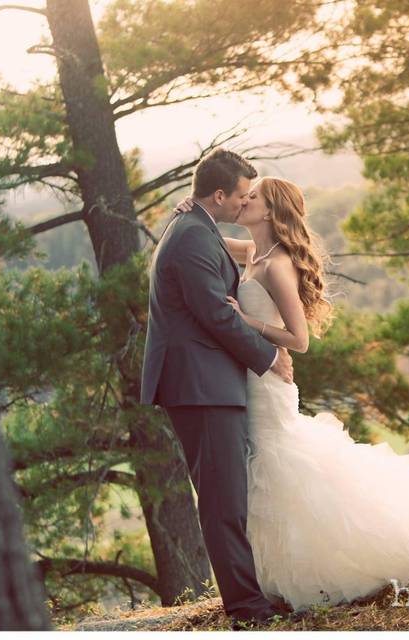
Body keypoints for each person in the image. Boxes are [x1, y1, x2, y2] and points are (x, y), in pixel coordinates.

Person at [172, 174, 409, 612]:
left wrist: (246, 323)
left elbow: (300, 339)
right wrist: (190, 207)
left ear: (270, 210)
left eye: (254, 197)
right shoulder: (254, 252)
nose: (244, 200)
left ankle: (334, 563)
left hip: (269, 383)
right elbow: (207, 238)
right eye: (243, 195)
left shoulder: (277, 264)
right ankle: (272, 574)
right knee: (267, 472)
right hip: (250, 379)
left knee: (281, 464)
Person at [139, 148, 296, 630]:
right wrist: (269, 357)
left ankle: (251, 597)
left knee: (228, 494)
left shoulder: (197, 229)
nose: (244, 202)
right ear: (220, 194)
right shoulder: (191, 237)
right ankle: (248, 611)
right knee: (223, 499)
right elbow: (215, 314)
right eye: (241, 195)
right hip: (200, 385)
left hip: (206, 383)